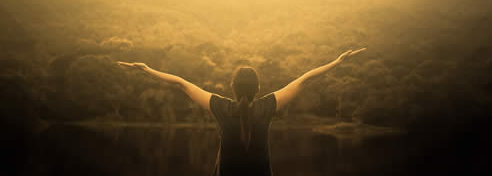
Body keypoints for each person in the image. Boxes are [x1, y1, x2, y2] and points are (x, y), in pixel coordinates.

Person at [118, 47, 366, 176]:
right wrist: (337, 61)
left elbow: (181, 84)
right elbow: (304, 80)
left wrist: (146, 69)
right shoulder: (267, 106)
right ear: (258, 88)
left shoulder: (221, 107)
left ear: (232, 87)